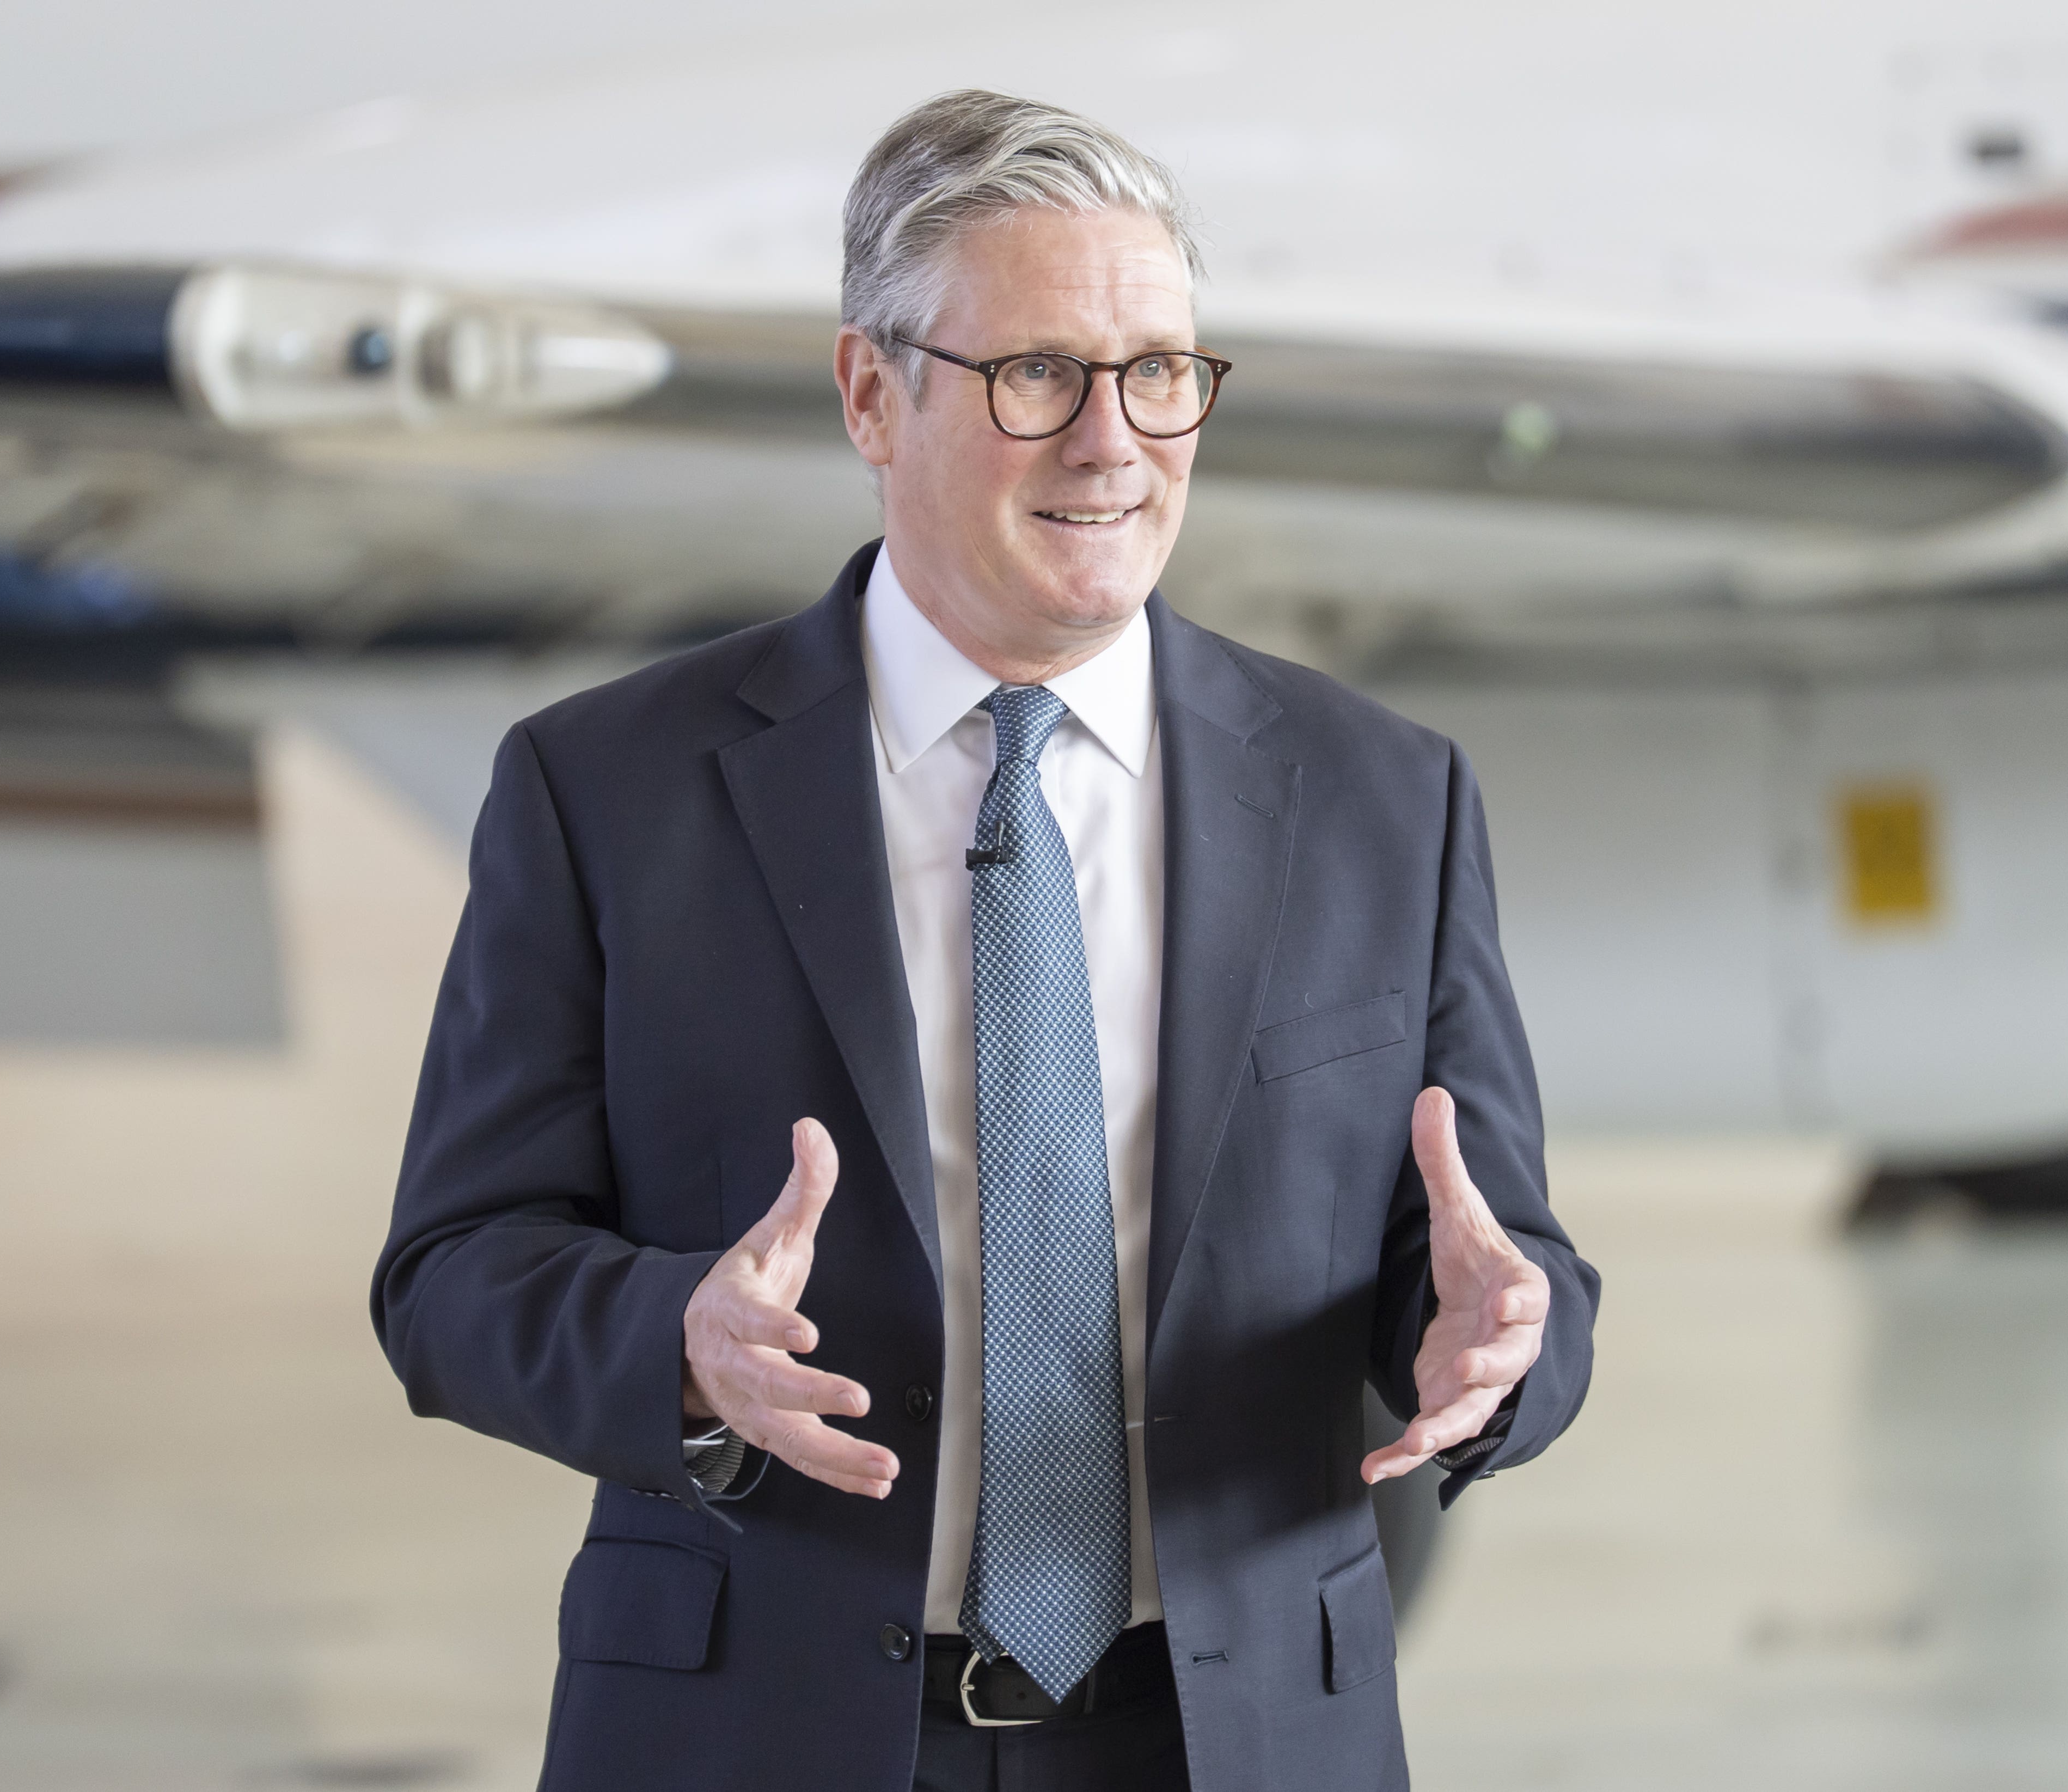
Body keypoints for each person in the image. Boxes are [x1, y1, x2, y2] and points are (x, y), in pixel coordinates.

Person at [373, 88, 1598, 1792]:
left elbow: (1489, 1251)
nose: (1114, 441)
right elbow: (450, 1274)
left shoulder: (1382, 793)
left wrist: (1501, 1335)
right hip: (757, 1736)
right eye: (1036, 374)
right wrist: (682, 1347)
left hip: (1236, 1740)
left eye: (1160, 370)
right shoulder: (610, 790)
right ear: (872, 394)